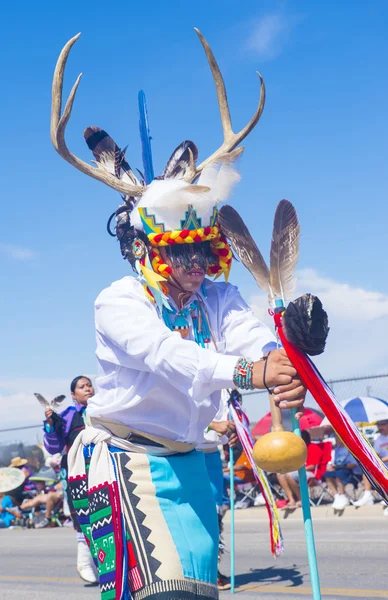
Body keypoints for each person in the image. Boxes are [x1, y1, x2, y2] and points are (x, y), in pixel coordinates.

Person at [52, 30, 306, 600]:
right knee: (160, 593)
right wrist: (249, 375)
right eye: (180, 252)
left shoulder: (217, 299)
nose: (195, 264)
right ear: (146, 250)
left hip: (190, 464)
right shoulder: (118, 300)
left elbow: (250, 337)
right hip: (122, 462)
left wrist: (280, 367)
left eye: (202, 251)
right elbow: (167, 356)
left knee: (198, 591)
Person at [42, 376, 98, 584]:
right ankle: (84, 562)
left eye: (89, 385)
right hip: (76, 471)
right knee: (82, 513)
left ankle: (105, 564)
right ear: (73, 395)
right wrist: (50, 425)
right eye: (82, 387)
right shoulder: (67, 416)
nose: (88, 389)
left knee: (106, 512)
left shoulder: (105, 409)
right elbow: (54, 447)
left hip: (103, 467)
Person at [200, 390, 239, 591]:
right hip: (189, 452)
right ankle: (200, 571)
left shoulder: (228, 389)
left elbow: (231, 419)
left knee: (216, 516)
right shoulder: (195, 372)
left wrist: (234, 434)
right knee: (197, 516)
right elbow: (179, 414)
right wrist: (214, 425)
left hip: (212, 453)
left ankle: (212, 569)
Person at [277, 430, 325, 509]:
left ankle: (301, 499)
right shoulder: (297, 450)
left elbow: (312, 466)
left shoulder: (313, 448)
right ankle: (291, 499)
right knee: (280, 474)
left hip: (311, 473)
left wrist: (295, 470)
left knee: (289, 474)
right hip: (298, 471)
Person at [353, 419, 388, 513]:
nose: (380, 427)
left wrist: (380, 460)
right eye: (378, 425)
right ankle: (368, 495)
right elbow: (376, 454)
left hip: (384, 464)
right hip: (383, 466)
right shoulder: (378, 439)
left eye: (383, 425)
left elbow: (381, 458)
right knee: (367, 470)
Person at [322, 436, 357, 510]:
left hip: (348, 469)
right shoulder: (336, 449)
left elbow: (353, 464)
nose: (336, 439)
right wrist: (330, 466)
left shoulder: (349, 448)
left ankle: (342, 495)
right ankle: (337, 496)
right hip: (337, 468)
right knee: (327, 475)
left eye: (337, 438)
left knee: (339, 475)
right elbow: (331, 461)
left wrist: (344, 465)